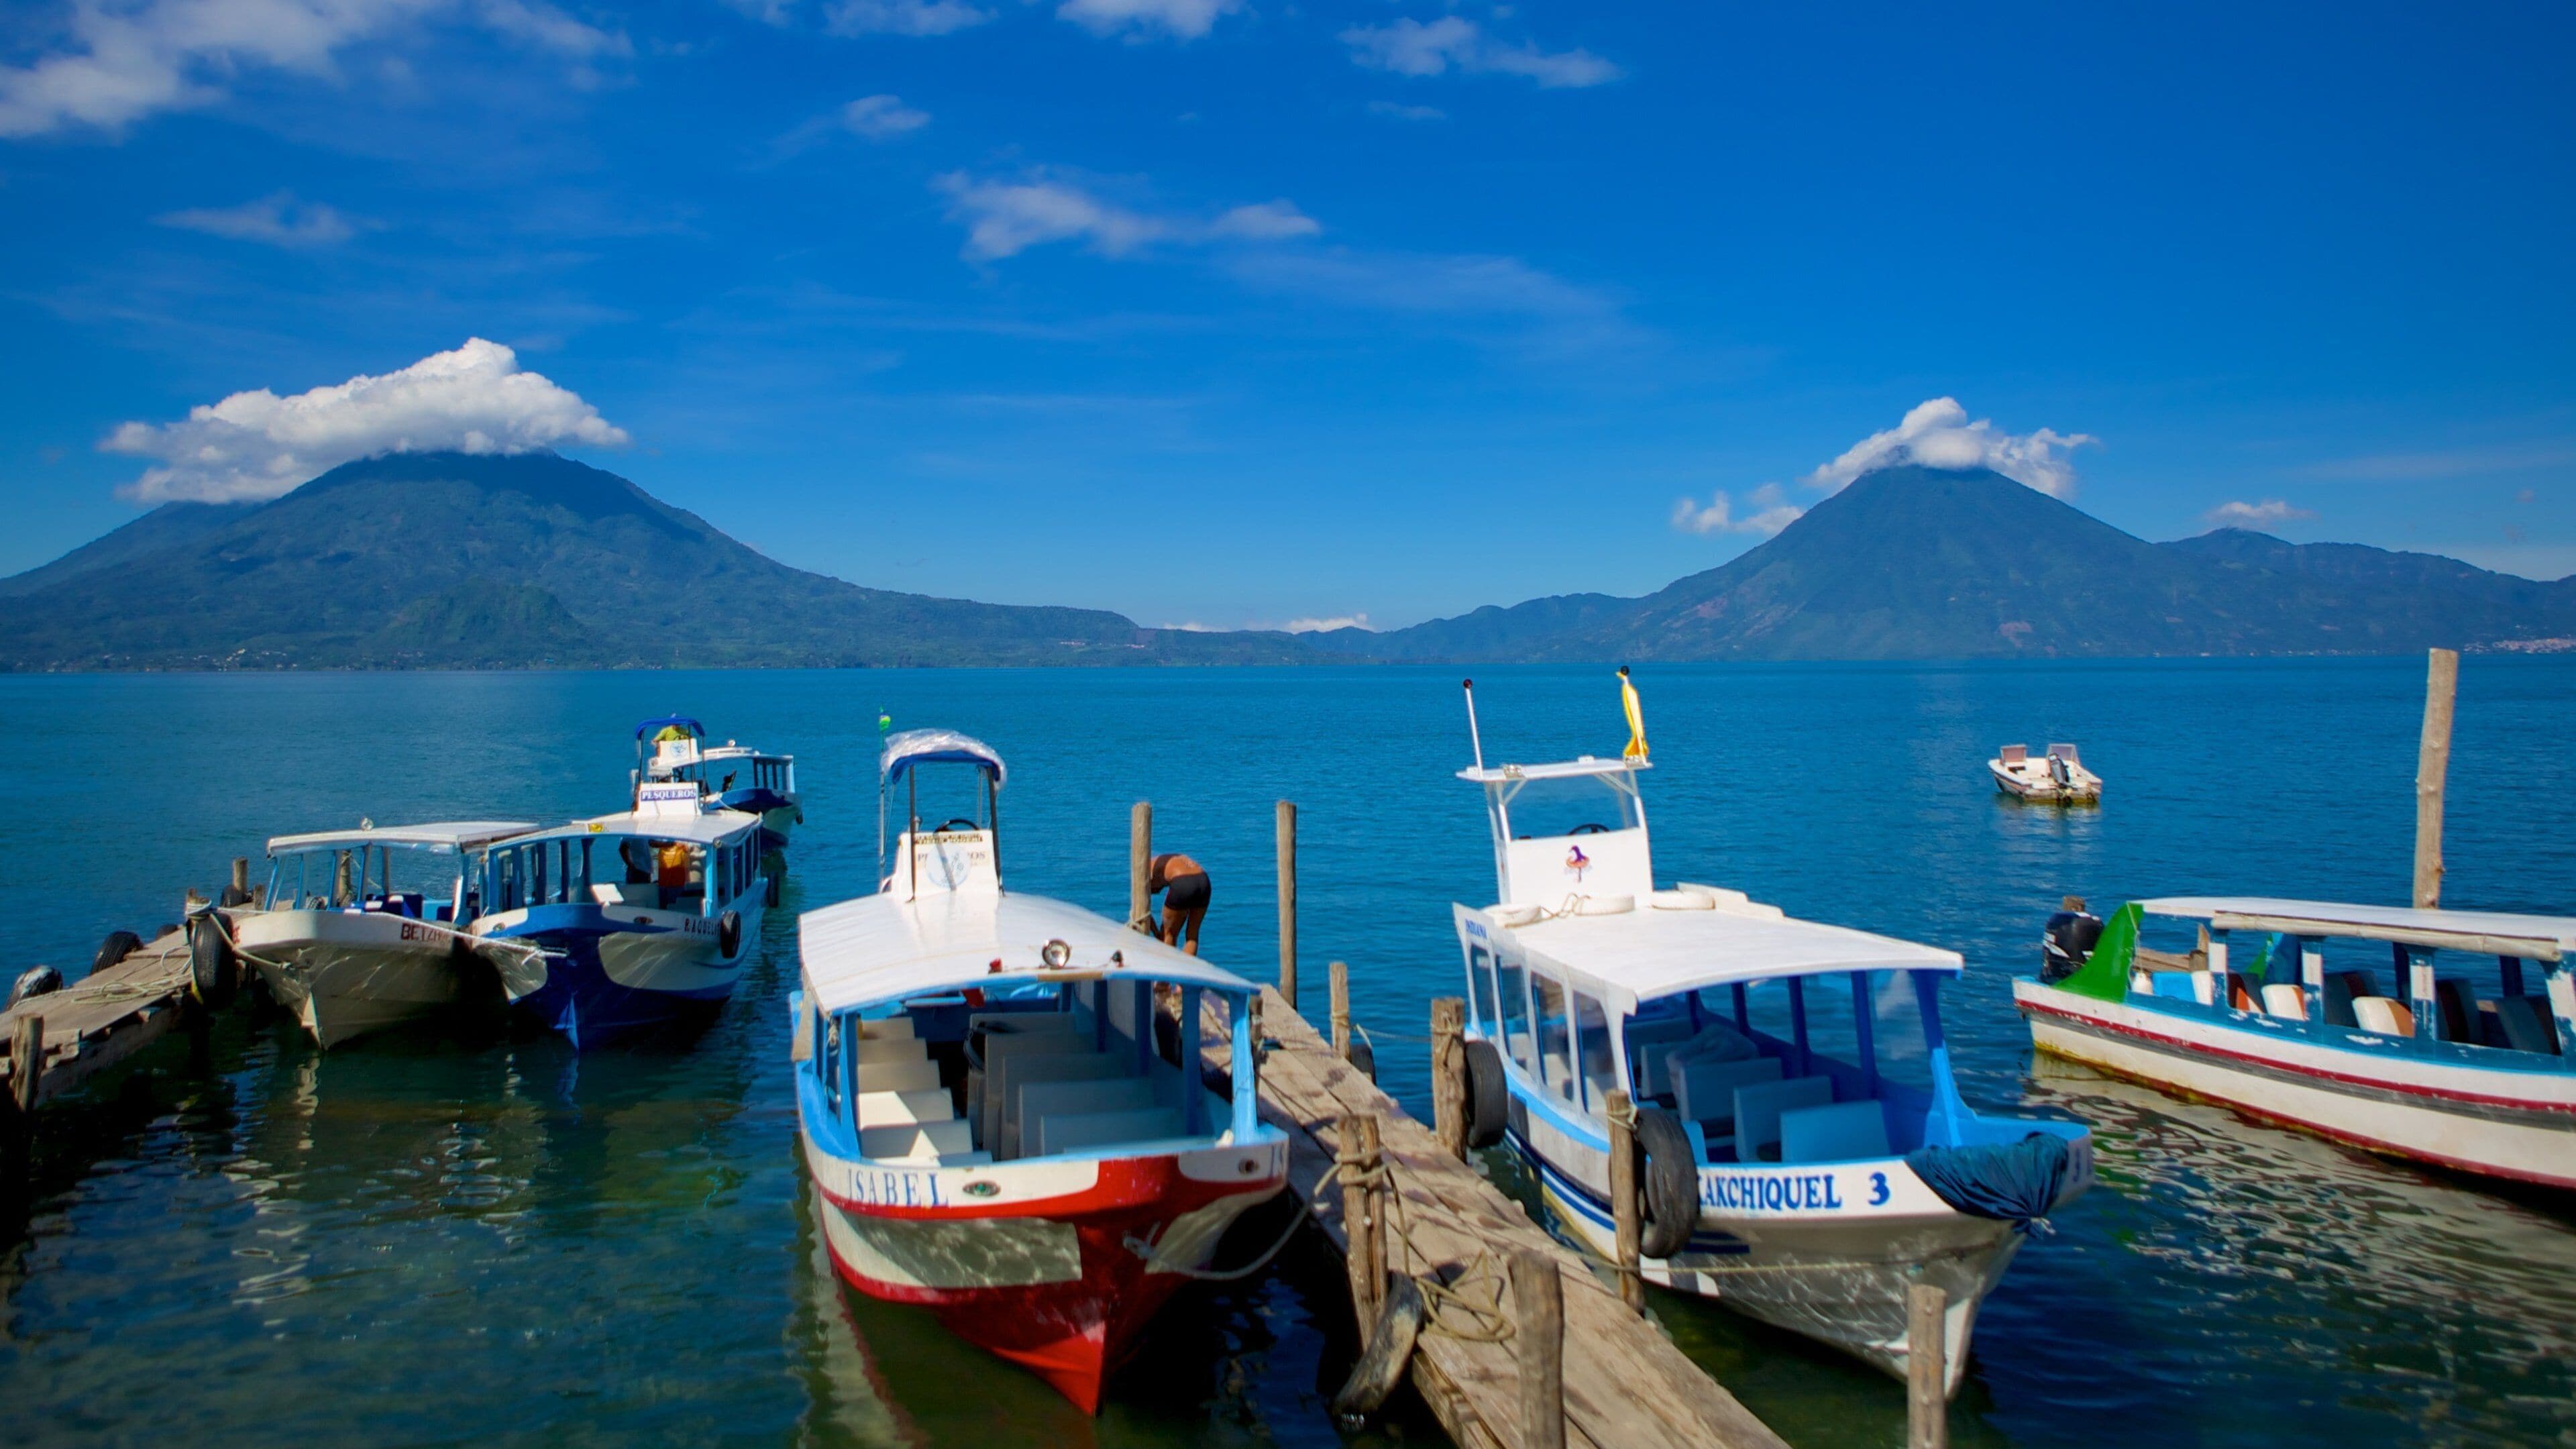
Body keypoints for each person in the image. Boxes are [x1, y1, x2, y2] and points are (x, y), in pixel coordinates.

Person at [1147, 852, 1211, 956]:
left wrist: (1157, 933)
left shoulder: (1144, 876)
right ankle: (1188, 968)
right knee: (1192, 936)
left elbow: (1143, 912)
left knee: (1169, 935)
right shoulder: (1163, 860)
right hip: (1203, 880)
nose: (1157, 893)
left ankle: (1168, 967)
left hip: (1183, 881)